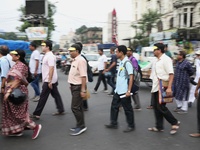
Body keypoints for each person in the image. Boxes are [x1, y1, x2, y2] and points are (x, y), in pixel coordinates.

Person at [1, 49, 41, 139]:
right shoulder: (16, 65)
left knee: (18, 113)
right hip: (13, 92)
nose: (12, 56)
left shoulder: (21, 66)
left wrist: (8, 91)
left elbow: (17, 80)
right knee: (11, 113)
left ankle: (35, 127)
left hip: (17, 93)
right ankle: (17, 130)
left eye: (14, 55)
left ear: (18, 56)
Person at [148, 43, 180, 135]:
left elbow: (171, 74)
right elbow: (150, 68)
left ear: (159, 50)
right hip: (155, 85)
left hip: (163, 86)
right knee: (155, 106)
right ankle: (159, 126)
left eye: (154, 49)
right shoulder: (155, 60)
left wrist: (169, 87)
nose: (153, 51)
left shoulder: (166, 59)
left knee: (161, 106)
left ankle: (174, 122)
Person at [31, 40, 65, 120]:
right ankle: (61, 109)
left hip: (49, 80)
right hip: (50, 79)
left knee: (43, 96)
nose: (42, 47)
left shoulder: (50, 56)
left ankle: (37, 114)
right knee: (55, 94)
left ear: (47, 47)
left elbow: (51, 68)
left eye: (43, 45)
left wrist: (49, 80)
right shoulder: (46, 55)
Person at [105, 45, 135, 132]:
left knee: (127, 109)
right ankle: (113, 123)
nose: (116, 53)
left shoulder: (127, 63)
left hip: (124, 91)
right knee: (114, 106)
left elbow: (131, 77)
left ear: (121, 52)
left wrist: (128, 91)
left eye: (117, 52)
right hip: (118, 90)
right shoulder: (121, 62)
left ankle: (131, 125)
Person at [68, 44, 87, 136]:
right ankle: (80, 125)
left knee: (74, 107)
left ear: (77, 51)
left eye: (72, 51)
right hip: (74, 86)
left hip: (78, 87)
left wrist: (83, 90)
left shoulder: (81, 60)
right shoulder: (75, 60)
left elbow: (83, 76)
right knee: (78, 107)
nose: (70, 52)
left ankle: (81, 126)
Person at [76, 42, 89, 111]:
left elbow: (83, 73)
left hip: (81, 78)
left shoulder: (81, 58)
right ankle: (83, 106)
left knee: (82, 91)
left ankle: (83, 106)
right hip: (79, 78)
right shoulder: (79, 57)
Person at [0, 46, 10, 129]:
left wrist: (2, 87)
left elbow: (4, 75)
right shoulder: (5, 59)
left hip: (1, 85)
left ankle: (2, 124)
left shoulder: (3, 60)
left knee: (2, 105)